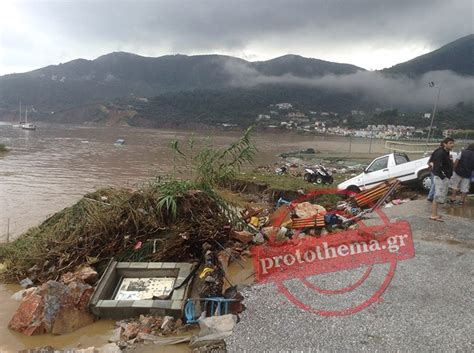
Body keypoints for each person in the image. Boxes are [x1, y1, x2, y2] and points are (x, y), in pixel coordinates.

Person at [430, 137, 455, 221]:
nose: (452, 145)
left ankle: (435, 214)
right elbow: (436, 167)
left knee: (438, 196)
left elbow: (431, 160)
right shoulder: (440, 153)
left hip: (442, 177)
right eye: (450, 143)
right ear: (445, 144)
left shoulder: (445, 152)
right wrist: (443, 177)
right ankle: (433, 215)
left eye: (453, 143)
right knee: (437, 196)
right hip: (440, 178)